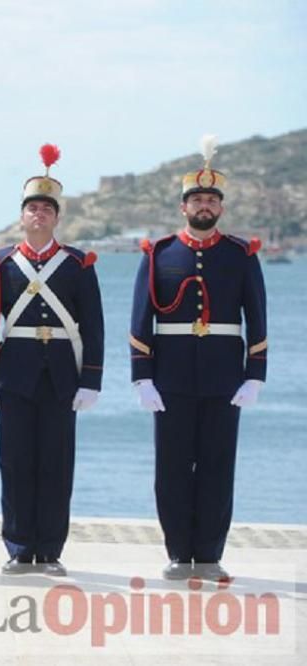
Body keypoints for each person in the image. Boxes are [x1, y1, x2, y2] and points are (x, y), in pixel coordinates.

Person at [129, 135, 267, 582]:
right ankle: (177, 552)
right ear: (183, 207)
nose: (204, 206)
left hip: (224, 379)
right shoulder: (160, 254)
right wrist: (141, 377)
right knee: (171, 469)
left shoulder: (240, 255)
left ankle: (208, 554)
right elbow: (141, 320)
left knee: (216, 467)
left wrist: (255, 375)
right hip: (169, 379)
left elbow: (257, 318)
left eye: (211, 199)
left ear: (220, 208)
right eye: (196, 199)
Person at [0, 144, 104, 576]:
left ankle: (49, 550)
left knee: (56, 466)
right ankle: (18, 547)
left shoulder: (78, 264)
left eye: (47, 209)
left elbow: (93, 325)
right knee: (14, 465)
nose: (39, 215)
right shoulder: (1, 263)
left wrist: (91, 380)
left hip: (62, 378)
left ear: (56, 217)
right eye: (32, 208)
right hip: (14, 376)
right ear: (22, 215)